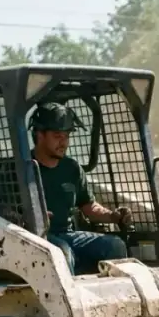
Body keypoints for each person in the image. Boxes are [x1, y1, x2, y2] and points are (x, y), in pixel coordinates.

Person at [30, 102, 132, 275]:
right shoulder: (20, 168)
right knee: (61, 254)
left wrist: (113, 216)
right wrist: (30, 218)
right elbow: (3, 213)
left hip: (68, 235)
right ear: (40, 135)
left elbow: (89, 206)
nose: (64, 143)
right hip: (35, 239)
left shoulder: (72, 168)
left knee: (115, 246)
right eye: (57, 136)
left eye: (66, 136)